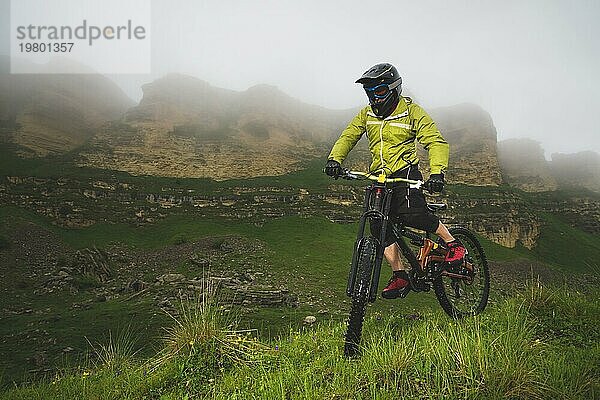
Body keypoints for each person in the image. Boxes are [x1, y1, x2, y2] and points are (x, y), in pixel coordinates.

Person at [324, 63, 466, 299]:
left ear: (393, 89)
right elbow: (349, 135)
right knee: (379, 226)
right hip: (380, 177)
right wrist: (334, 159)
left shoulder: (412, 112)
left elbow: (435, 141)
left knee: (414, 215)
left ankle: (453, 244)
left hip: (405, 173)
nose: (374, 99)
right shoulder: (366, 114)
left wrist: (437, 173)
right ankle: (400, 275)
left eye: (379, 92)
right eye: (370, 93)